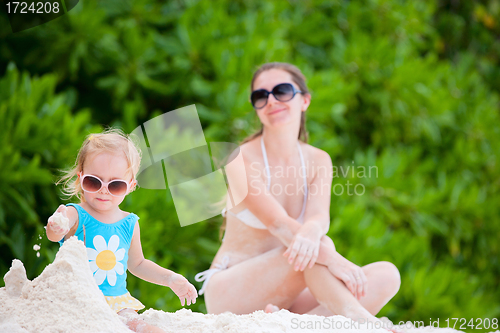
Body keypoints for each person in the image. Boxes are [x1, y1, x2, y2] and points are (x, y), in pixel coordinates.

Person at [195, 63, 401, 330]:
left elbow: (318, 218)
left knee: (387, 275)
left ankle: (300, 325)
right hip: (234, 293)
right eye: (261, 96)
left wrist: (315, 235)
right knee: (310, 246)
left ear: (304, 100)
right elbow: (278, 224)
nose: (271, 101)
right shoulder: (241, 159)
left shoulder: (318, 160)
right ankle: (354, 317)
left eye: (281, 91)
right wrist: (334, 258)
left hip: (286, 295)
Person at [46, 129, 198, 333]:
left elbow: (138, 264)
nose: (103, 190)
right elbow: (54, 234)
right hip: (76, 296)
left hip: (115, 301)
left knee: (131, 322)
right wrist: (56, 225)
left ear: (130, 186)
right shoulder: (76, 213)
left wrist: (170, 278)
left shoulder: (129, 223)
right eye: (94, 181)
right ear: (81, 178)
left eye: (115, 185)